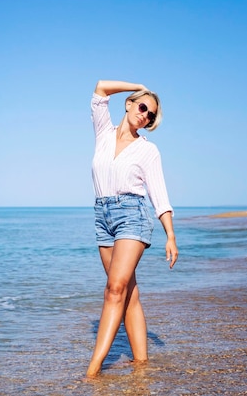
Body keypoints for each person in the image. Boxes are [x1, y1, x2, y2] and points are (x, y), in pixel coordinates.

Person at [86, 80, 178, 378]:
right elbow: (100, 89)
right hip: (103, 216)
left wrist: (171, 235)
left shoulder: (147, 151)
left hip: (132, 216)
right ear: (128, 104)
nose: (145, 116)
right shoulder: (103, 134)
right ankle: (141, 363)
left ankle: (93, 370)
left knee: (114, 290)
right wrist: (137, 86)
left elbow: (159, 194)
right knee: (129, 293)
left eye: (151, 115)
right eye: (142, 107)